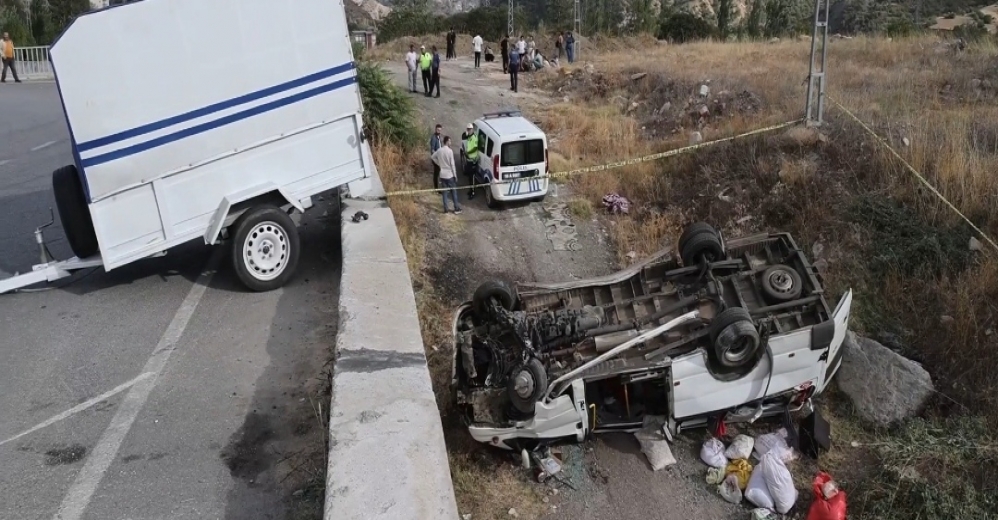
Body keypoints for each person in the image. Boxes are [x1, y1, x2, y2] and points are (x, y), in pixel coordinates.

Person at [432, 136, 461, 214]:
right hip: (450, 175)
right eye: (450, 141)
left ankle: (446, 209)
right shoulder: (450, 151)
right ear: (447, 141)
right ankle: (456, 208)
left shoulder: (439, 150)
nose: (451, 143)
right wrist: (455, 175)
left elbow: (433, 157)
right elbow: (452, 164)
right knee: (453, 192)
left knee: (445, 193)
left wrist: (439, 164)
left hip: (442, 175)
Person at [463, 123, 479, 199]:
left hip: (473, 160)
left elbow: (475, 148)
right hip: (469, 159)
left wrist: (468, 152)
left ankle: (473, 192)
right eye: (468, 129)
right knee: (469, 176)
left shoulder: (474, 137)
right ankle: (470, 189)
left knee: (472, 177)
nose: (468, 130)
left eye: (470, 129)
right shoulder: (469, 137)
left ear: (472, 129)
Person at [430, 124, 443, 189]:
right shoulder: (434, 138)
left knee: (439, 172)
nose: (439, 131)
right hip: (436, 158)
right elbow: (432, 149)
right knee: (436, 173)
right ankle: (436, 188)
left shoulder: (439, 137)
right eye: (438, 130)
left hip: (439, 157)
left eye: (440, 130)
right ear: (435, 129)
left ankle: (438, 187)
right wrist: (436, 157)